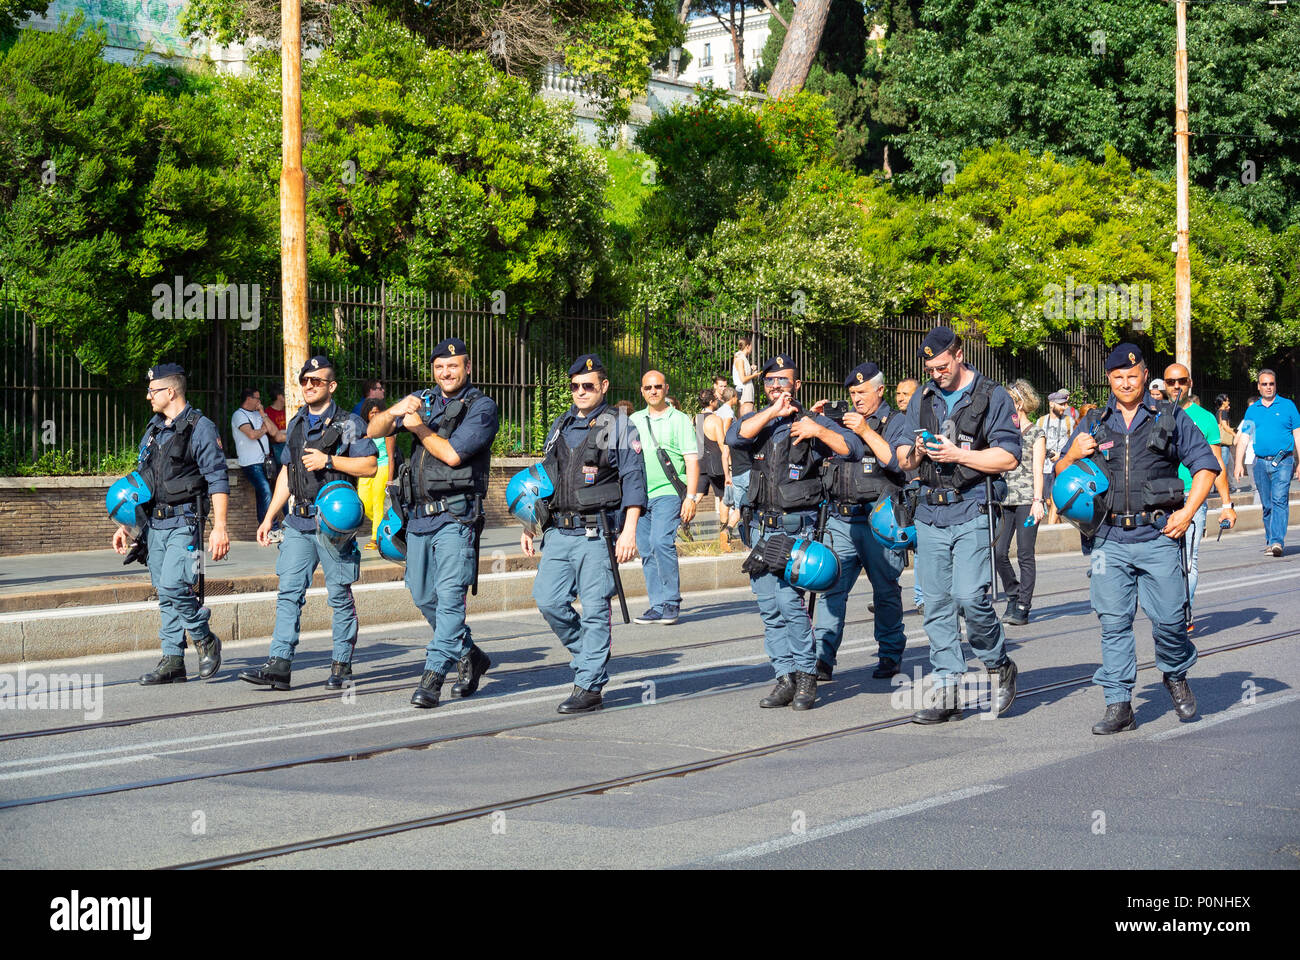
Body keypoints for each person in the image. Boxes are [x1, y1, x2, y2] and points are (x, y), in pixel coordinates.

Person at [1055, 344, 1220, 734]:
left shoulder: (1170, 416)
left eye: (1132, 375)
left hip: (1158, 534)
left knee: (1169, 621)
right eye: (1117, 377)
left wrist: (1187, 513)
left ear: (1145, 375)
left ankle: (1175, 672)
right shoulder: (1093, 421)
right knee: (1113, 622)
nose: (1125, 383)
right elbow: (1060, 475)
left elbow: (1206, 467)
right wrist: (1070, 455)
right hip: (1108, 538)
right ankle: (1119, 703)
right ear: (1108, 380)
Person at [894, 328, 1021, 723]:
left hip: (972, 508)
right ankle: (948, 687)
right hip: (930, 512)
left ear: (960, 354)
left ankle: (998, 662)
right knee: (935, 604)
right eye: (930, 368)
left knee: (969, 597)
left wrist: (959, 455)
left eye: (943, 366)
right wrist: (915, 453)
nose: (937, 374)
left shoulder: (991, 395)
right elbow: (902, 458)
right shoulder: (923, 397)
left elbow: (1009, 458)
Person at [369, 338, 500, 707]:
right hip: (418, 518)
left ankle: (432, 676)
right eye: (440, 366)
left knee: (448, 601)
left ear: (467, 367)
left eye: (453, 365)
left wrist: (419, 428)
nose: (446, 372)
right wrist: (397, 408)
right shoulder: (423, 401)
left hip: (456, 516)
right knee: (423, 595)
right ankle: (470, 655)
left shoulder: (481, 407)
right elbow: (373, 431)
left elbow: (454, 455)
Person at [727, 355, 863, 711]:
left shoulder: (813, 421)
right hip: (760, 529)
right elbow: (733, 436)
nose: (776, 387)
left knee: (789, 604)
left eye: (783, 381)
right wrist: (771, 414)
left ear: (796, 386)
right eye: (770, 381)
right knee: (769, 608)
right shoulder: (760, 422)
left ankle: (806, 675)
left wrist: (817, 431)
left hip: (795, 530)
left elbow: (853, 448)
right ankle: (783, 678)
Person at [239, 356, 378, 691]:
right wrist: (270, 515)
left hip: (334, 525)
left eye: (317, 381)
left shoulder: (349, 423)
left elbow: (370, 465)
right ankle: (279, 665)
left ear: (331, 386)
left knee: (339, 595)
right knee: (288, 593)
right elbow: (288, 472)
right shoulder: (298, 422)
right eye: (305, 381)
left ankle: (341, 665)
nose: (309, 386)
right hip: (298, 522)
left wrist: (329, 459)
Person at [522, 354, 647, 713]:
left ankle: (589, 684)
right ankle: (591, 652)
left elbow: (633, 480)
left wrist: (630, 532)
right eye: (574, 386)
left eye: (587, 386)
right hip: (559, 532)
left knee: (594, 610)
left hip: (598, 534)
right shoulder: (561, 425)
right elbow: (543, 481)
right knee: (548, 600)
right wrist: (528, 525)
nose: (580, 392)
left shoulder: (618, 425)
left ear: (603, 387)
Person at [112, 364, 231, 685]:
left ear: (171, 392)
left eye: (153, 390)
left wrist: (220, 526)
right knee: (164, 594)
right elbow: (141, 482)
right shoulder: (153, 431)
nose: (148, 395)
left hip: (185, 521)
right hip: (154, 524)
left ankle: (205, 638)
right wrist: (126, 526)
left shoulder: (200, 427)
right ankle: (173, 660)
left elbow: (218, 478)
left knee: (173, 585)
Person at [811, 361, 910, 680]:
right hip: (841, 521)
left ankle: (890, 653)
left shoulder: (895, 422)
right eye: (852, 392)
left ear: (880, 390)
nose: (857, 398)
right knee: (830, 588)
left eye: (863, 391)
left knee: (884, 590)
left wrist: (864, 430)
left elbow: (897, 464)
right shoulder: (840, 422)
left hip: (879, 522)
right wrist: (817, 423)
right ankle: (823, 657)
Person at [1162, 364, 1236, 630]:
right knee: (1164, 561)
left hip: (1193, 495)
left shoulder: (1204, 418)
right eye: (1170, 382)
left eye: (1181, 381)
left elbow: (1217, 463)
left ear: (1189, 383)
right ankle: (1171, 612)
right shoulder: (1154, 413)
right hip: (1159, 498)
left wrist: (1227, 504)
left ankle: (1183, 614)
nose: (1175, 386)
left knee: (1189, 560)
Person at [628, 372, 699, 625]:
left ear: (665, 388)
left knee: (660, 542)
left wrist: (690, 497)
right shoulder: (634, 420)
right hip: (640, 495)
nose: (653, 391)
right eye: (648, 387)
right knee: (646, 548)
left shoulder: (679, 419)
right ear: (642, 391)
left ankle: (671, 601)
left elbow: (691, 460)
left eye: (658, 386)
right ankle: (657, 605)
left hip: (668, 492)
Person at [995, 380, 1047, 625]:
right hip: (1005, 499)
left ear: (1020, 402)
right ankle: (1013, 594)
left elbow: (1038, 470)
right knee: (998, 552)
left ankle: (1024, 604)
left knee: (1025, 553)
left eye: (1008, 401)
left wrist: (1039, 500)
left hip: (1027, 500)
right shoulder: (1003, 432)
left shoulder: (1036, 432)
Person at [1233, 369, 1300, 557]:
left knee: (1279, 499)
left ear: (1275, 385)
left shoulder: (1288, 406)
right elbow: (1244, 437)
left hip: (1284, 461)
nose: (1268, 387)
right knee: (1267, 504)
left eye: (1271, 384)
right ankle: (1271, 540)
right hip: (1260, 463)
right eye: (1264, 384)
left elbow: (1298, 435)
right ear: (1258, 386)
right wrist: (1238, 463)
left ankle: (1277, 541)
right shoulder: (1252, 410)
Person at [231, 387, 285, 543]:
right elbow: (252, 434)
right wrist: (263, 429)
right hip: (251, 462)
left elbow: (274, 432)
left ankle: (266, 528)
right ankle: (272, 528)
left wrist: (263, 415)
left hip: (265, 461)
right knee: (265, 491)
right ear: (249, 399)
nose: (260, 402)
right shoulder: (238, 415)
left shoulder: (258, 414)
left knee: (265, 494)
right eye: (257, 399)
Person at [893, 377, 923, 611]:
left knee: (921, 545)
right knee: (894, 544)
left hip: (918, 489)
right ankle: (887, 591)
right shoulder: (894, 421)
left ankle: (923, 597)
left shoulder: (922, 419)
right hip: (897, 490)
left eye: (907, 394)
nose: (901, 398)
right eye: (899, 394)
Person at [358, 398, 397, 549]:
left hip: (383, 466)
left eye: (377, 412)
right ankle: (386, 527)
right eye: (371, 412)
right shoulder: (364, 430)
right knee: (363, 502)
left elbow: (391, 456)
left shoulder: (388, 430)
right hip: (366, 468)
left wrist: (390, 479)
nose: (374, 415)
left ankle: (375, 538)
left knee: (377, 502)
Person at [695, 387, 731, 544]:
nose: (717, 402)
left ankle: (683, 521)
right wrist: (728, 463)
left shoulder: (696, 418)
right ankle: (724, 531)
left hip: (701, 461)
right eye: (716, 399)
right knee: (723, 495)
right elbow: (722, 443)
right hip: (716, 462)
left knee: (697, 495)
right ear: (711, 402)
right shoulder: (715, 420)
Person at [1037, 389, 1075, 525]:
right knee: (1049, 502)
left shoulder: (1069, 421)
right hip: (1046, 468)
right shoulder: (1041, 422)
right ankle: (1058, 532)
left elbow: (1074, 443)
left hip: (1061, 467)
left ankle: (1049, 532)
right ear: (1052, 404)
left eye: (1065, 404)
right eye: (1061, 404)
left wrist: (1061, 455)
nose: (1065, 407)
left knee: (1055, 501)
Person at [732, 335, 759, 414]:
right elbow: (743, 379)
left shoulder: (740, 357)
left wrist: (750, 369)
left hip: (743, 390)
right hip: (743, 391)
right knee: (745, 414)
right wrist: (754, 375)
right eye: (751, 346)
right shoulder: (740, 359)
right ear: (747, 346)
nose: (751, 348)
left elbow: (739, 371)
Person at [265, 386, 288, 468]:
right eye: (285, 395)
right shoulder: (268, 412)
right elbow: (274, 436)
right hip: (277, 448)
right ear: (279, 396)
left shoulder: (288, 410)